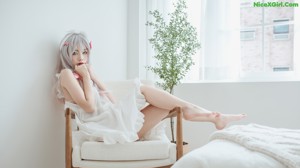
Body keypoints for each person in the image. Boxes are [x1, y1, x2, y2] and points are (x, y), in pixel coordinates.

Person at [55, 32, 245, 144]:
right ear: (67, 54)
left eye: (85, 52)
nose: (81, 57)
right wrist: (87, 77)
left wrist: (94, 77)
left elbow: (111, 100)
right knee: (143, 89)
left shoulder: (87, 74)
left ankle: (208, 116)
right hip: (105, 126)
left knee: (166, 106)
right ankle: (198, 112)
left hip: (115, 118)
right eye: (75, 52)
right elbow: (89, 108)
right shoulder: (66, 75)